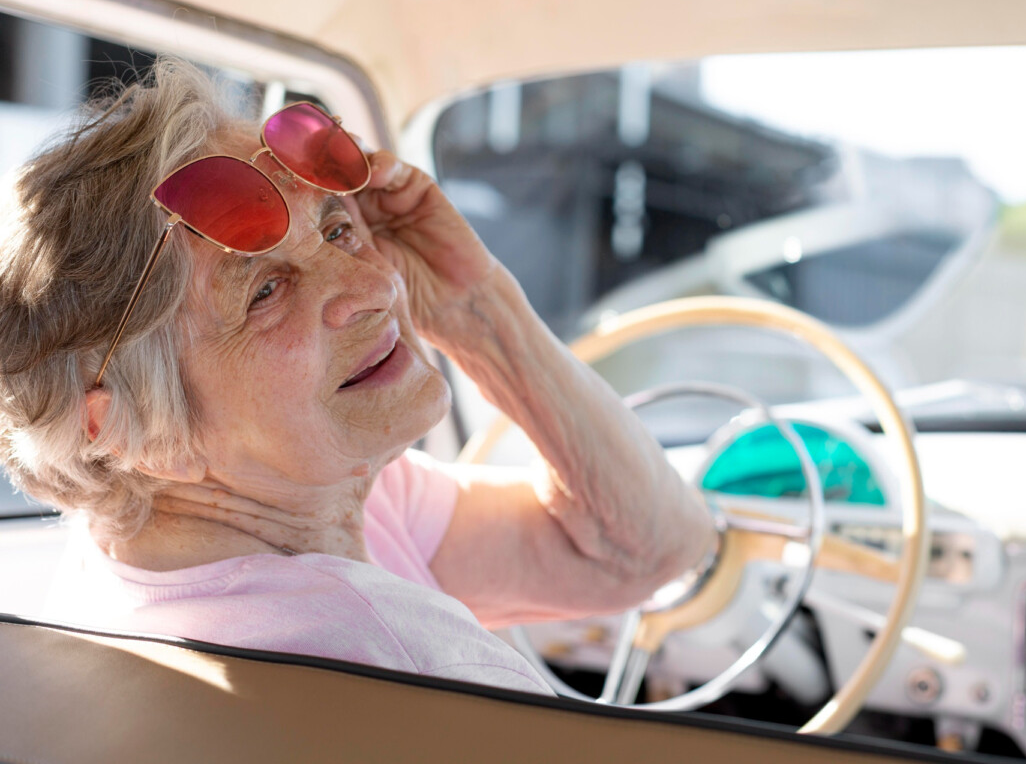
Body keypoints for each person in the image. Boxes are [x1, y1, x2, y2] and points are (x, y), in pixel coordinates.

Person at [0, 59, 715, 694]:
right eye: (265, 292)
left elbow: (644, 552)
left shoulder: (259, 508)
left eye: (338, 229)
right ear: (132, 431)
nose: (373, 283)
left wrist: (474, 307)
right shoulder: (409, 667)